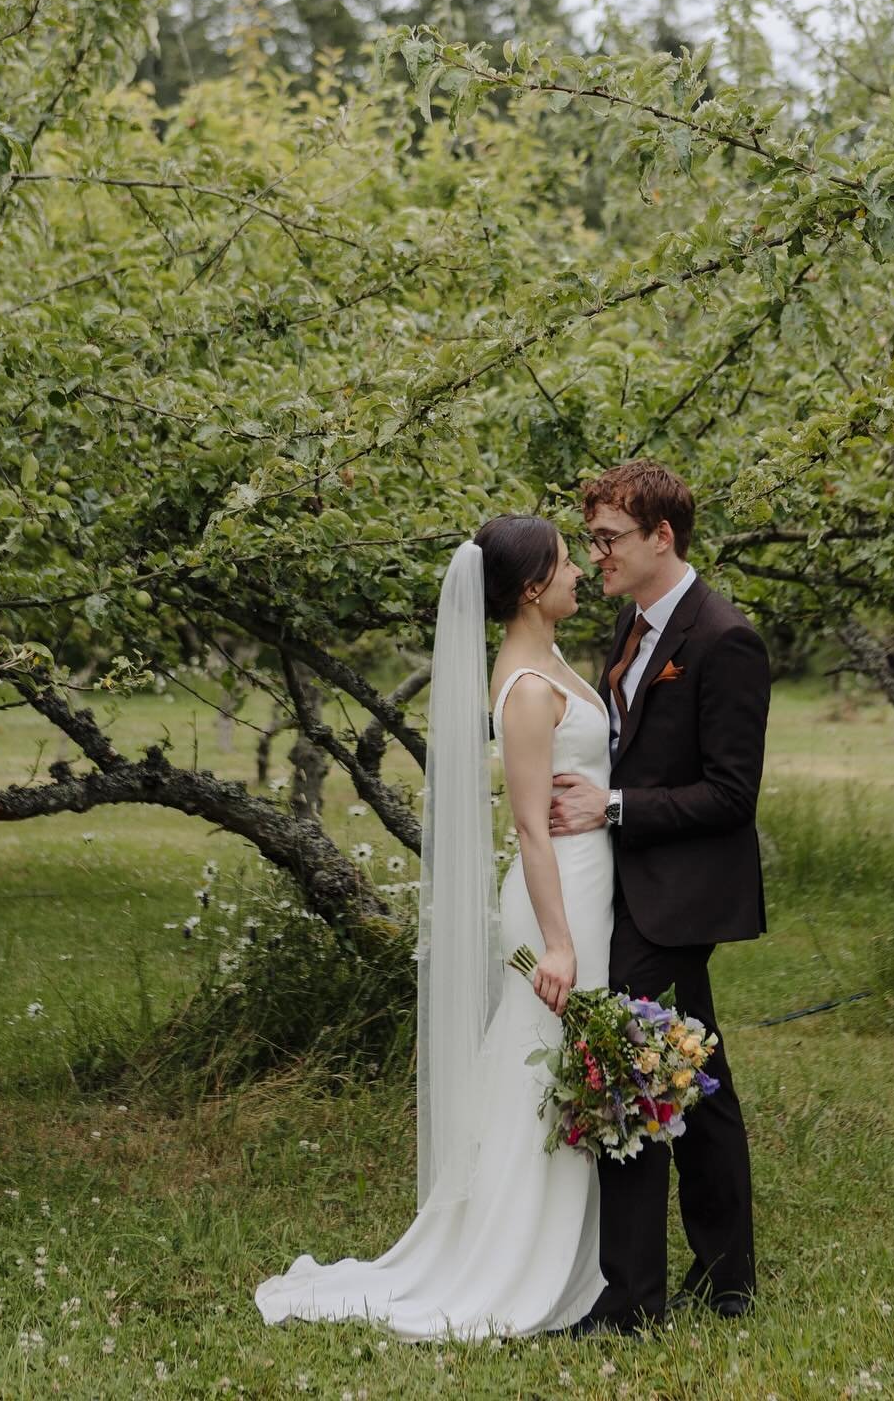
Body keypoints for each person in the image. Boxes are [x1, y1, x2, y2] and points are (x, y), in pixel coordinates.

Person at [254, 516, 613, 1339]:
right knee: (542, 1068)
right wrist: (556, 944)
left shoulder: (553, 661)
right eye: (566, 564)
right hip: (555, 895)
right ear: (531, 588)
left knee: (567, 1062)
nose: (581, 575)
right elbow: (528, 827)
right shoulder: (526, 688)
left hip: (591, 880)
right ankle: (521, 1259)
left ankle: (583, 1253)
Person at [548, 460, 771, 1336]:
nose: (596, 554)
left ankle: (632, 1300)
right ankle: (728, 1279)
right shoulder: (629, 626)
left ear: (661, 538)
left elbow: (732, 793)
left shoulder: (725, 639)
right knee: (698, 1079)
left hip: (679, 896)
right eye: (594, 539)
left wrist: (614, 807)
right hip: (626, 886)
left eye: (608, 539)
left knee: (629, 1067)